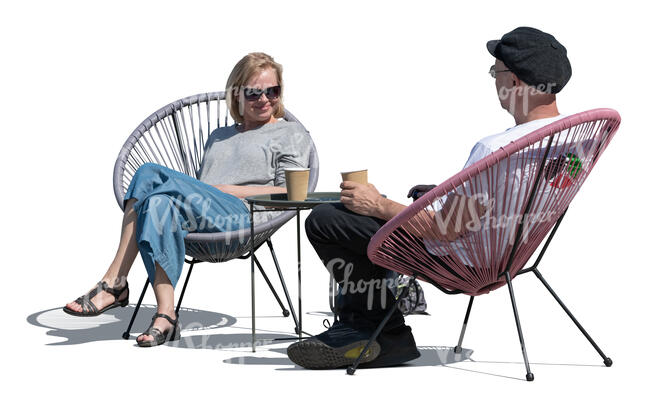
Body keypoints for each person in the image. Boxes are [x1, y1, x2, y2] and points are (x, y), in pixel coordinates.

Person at [287, 26, 572, 369]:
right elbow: (502, 200)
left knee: (329, 220)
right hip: (509, 258)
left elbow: (445, 229)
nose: (494, 81)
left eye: (495, 72)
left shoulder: (497, 149)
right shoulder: (573, 141)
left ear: (514, 82)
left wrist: (378, 204)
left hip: (463, 261)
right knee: (372, 213)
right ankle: (365, 325)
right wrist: (442, 194)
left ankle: (377, 332)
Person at [63, 52, 312, 347]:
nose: (264, 99)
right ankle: (166, 316)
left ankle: (115, 282)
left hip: (242, 217)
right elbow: (199, 189)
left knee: (148, 173)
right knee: (158, 204)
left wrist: (234, 191)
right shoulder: (219, 136)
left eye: (272, 91)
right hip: (199, 218)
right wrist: (210, 192)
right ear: (237, 94)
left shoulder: (290, 132)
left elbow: (294, 191)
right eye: (254, 92)